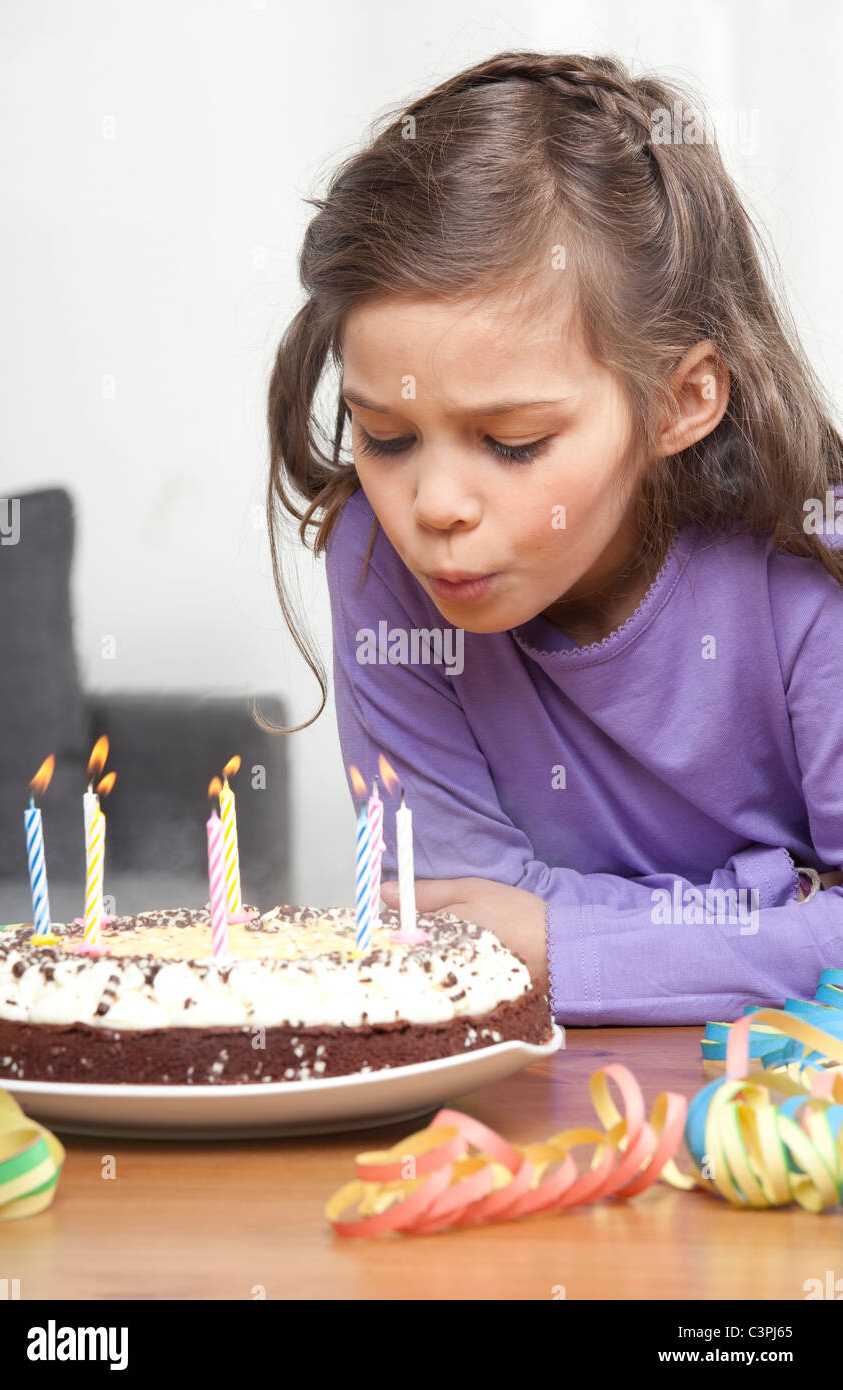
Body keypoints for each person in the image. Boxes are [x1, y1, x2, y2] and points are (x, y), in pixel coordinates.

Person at [262, 51, 843, 1024]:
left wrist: (559, 938)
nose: (433, 505)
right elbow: (453, 929)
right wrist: (770, 902)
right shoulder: (378, 561)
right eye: (385, 436)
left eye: (513, 442)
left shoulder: (808, 560)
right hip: (518, 1102)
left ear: (679, 401)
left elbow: (513, 942)